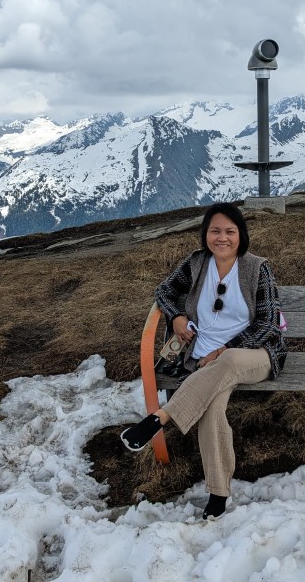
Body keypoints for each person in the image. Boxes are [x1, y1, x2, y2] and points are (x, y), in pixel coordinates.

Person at [119, 202, 287, 519]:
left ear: (241, 235)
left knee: (229, 360)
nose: (221, 238)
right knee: (212, 407)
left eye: (229, 231)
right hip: (202, 361)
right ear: (205, 235)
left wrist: (225, 349)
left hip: (253, 355)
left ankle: (160, 419)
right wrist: (178, 316)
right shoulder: (196, 264)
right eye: (215, 231)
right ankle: (219, 493)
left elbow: (267, 324)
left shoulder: (256, 268)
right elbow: (164, 291)